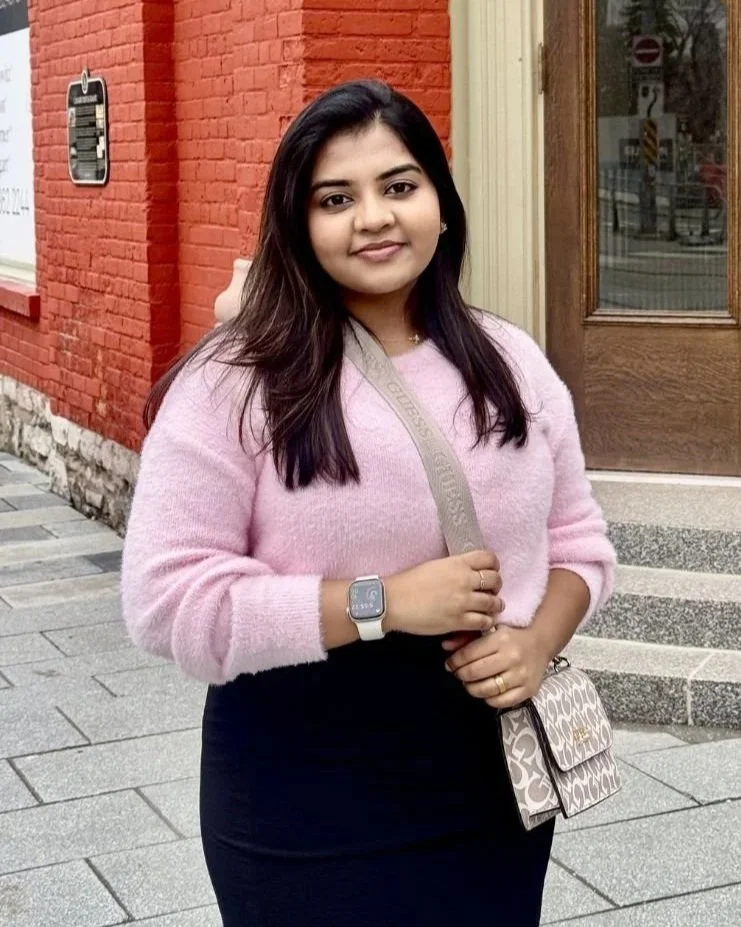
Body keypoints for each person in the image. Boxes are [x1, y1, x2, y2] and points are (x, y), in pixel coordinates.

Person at [121, 79, 616, 926]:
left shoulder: (510, 361)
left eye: (398, 186)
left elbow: (580, 544)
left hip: (485, 779)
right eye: (336, 199)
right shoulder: (235, 383)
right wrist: (381, 601)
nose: (374, 218)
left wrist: (536, 642)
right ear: (296, 222)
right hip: (300, 784)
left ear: (440, 203)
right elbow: (166, 601)